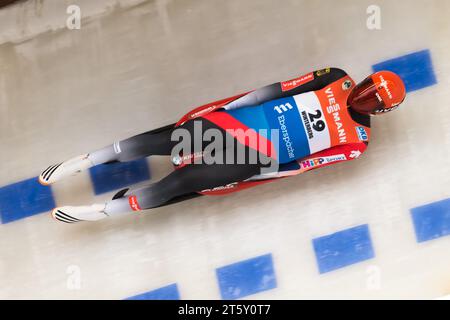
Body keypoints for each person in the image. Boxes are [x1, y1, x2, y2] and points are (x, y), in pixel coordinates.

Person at [39, 68, 406, 223]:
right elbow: (279, 90)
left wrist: (258, 175)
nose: (364, 98)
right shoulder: (337, 79)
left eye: (372, 101)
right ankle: (88, 160)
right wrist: (230, 107)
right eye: (368, 88)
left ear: (380, 111)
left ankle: (102, 211)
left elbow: (304, 166)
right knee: (163, 142)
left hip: (258, 156)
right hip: (241, 123)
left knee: (178, 185)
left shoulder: (357, 142)